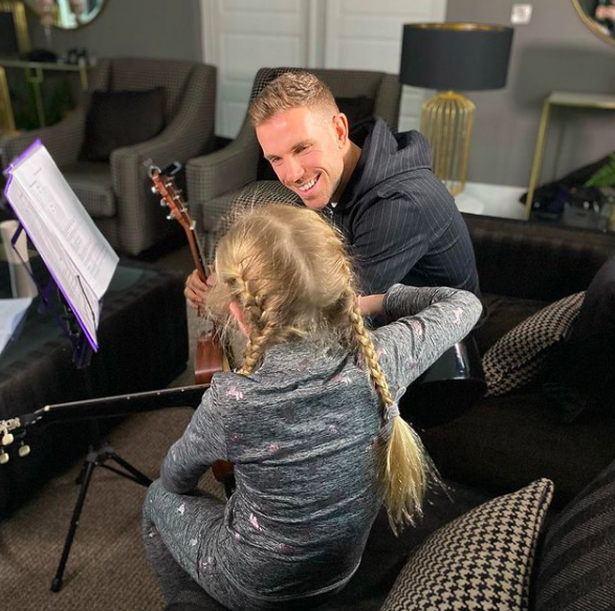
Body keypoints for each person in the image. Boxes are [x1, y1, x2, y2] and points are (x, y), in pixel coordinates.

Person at [144, 203, 482, 611]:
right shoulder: (383, 358)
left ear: (239, 312)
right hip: (341, 568)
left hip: (255, 586)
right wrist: (371, 303)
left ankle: (186, 604)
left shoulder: (232, 400)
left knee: (155, 496)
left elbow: (176, 477)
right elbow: (464, 303)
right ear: (339, 287)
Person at [184, 70, 479, 310]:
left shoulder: (399, 203)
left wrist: (232, 294)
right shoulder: (339, 173)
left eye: (302, 148)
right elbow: (307, 261)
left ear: (339, 131)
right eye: (276, 159)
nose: (292, 174)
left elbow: (330, 309)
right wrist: (227, 277)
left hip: (444, 354)